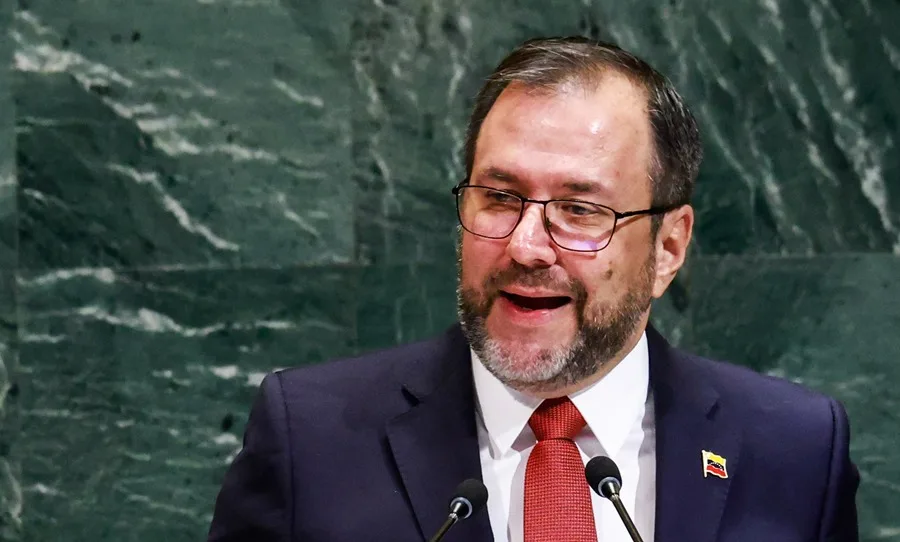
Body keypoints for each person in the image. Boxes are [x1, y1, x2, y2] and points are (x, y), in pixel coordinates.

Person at [207, 36, 859, 542]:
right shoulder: (311, 439)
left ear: (667, 248)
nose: (524, 246)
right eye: (498, 197)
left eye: (580, 209)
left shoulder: (795, 452)